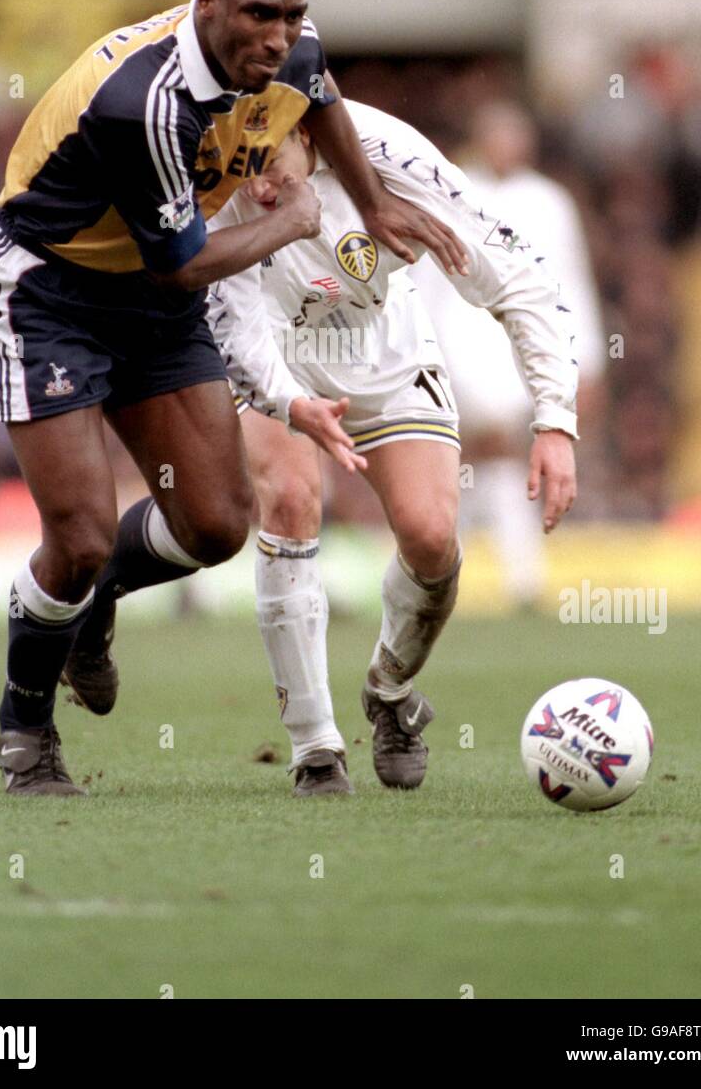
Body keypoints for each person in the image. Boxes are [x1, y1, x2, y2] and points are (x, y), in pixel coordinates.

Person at [0, 0, 467, 798]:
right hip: (50, 289)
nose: (279, 35)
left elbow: (321, 93)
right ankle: (26, 727)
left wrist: (374, 203)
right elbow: (185, 262)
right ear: (207, 7)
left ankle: (99, 603)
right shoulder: (146, 102)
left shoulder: (292, 52)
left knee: (217, 525)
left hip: (150, 298)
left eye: (293, 15)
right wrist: (297, 216)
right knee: (77, 537)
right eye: (259, 15)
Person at [114, 99, 574, 796]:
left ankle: (389, 691)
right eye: (246, 166)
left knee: (428, 537)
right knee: (291, 500)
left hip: (383, 352)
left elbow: (517, 276)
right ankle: (316, 747)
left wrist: (555, 420)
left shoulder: (396, 157)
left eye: (268, 162)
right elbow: (236, 321)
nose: (257, 185)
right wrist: (290, 403)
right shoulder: (218, 168)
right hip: (276, 355)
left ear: (306, 132)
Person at [413, 100, 605, 607]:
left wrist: (585, 360)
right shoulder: (451, 191)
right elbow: (425, 283)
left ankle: (468, 576)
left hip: (521, 352)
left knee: (496, 464)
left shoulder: (549, 202)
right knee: (467, 459)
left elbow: (570, 284)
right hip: (457, 348)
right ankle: (482, 574)